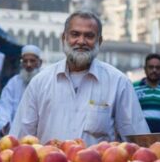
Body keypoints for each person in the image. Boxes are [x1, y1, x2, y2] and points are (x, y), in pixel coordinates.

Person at [9, 11, 150, 145]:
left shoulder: (118, 83)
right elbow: (21, 137)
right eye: (75, 34)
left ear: (99, 41)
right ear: (64, 38)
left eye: (89, 36)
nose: (81, 41)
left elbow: (138, 141)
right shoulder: (40, 83)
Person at [0, 44, 42, 135]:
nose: (28, 65)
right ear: (21, 63)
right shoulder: (13, 83)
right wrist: (4, 125)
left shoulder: (45, 82)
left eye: (32, 61)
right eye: (25, 61)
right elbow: (5, 106)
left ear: (39, 62)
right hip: (15, 134)